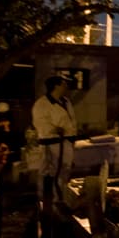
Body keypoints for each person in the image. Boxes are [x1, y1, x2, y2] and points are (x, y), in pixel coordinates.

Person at [32, 75, 77, 206]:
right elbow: (40, 122)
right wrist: (55, 130)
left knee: (65, 169)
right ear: (56, 86)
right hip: (51, 142)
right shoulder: (42, 104)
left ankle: (61, 196)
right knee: (49, 171)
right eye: (64, 84)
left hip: (66, 141)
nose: (66, 86)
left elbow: (71, 121)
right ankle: (47, 198)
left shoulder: (66, 101)